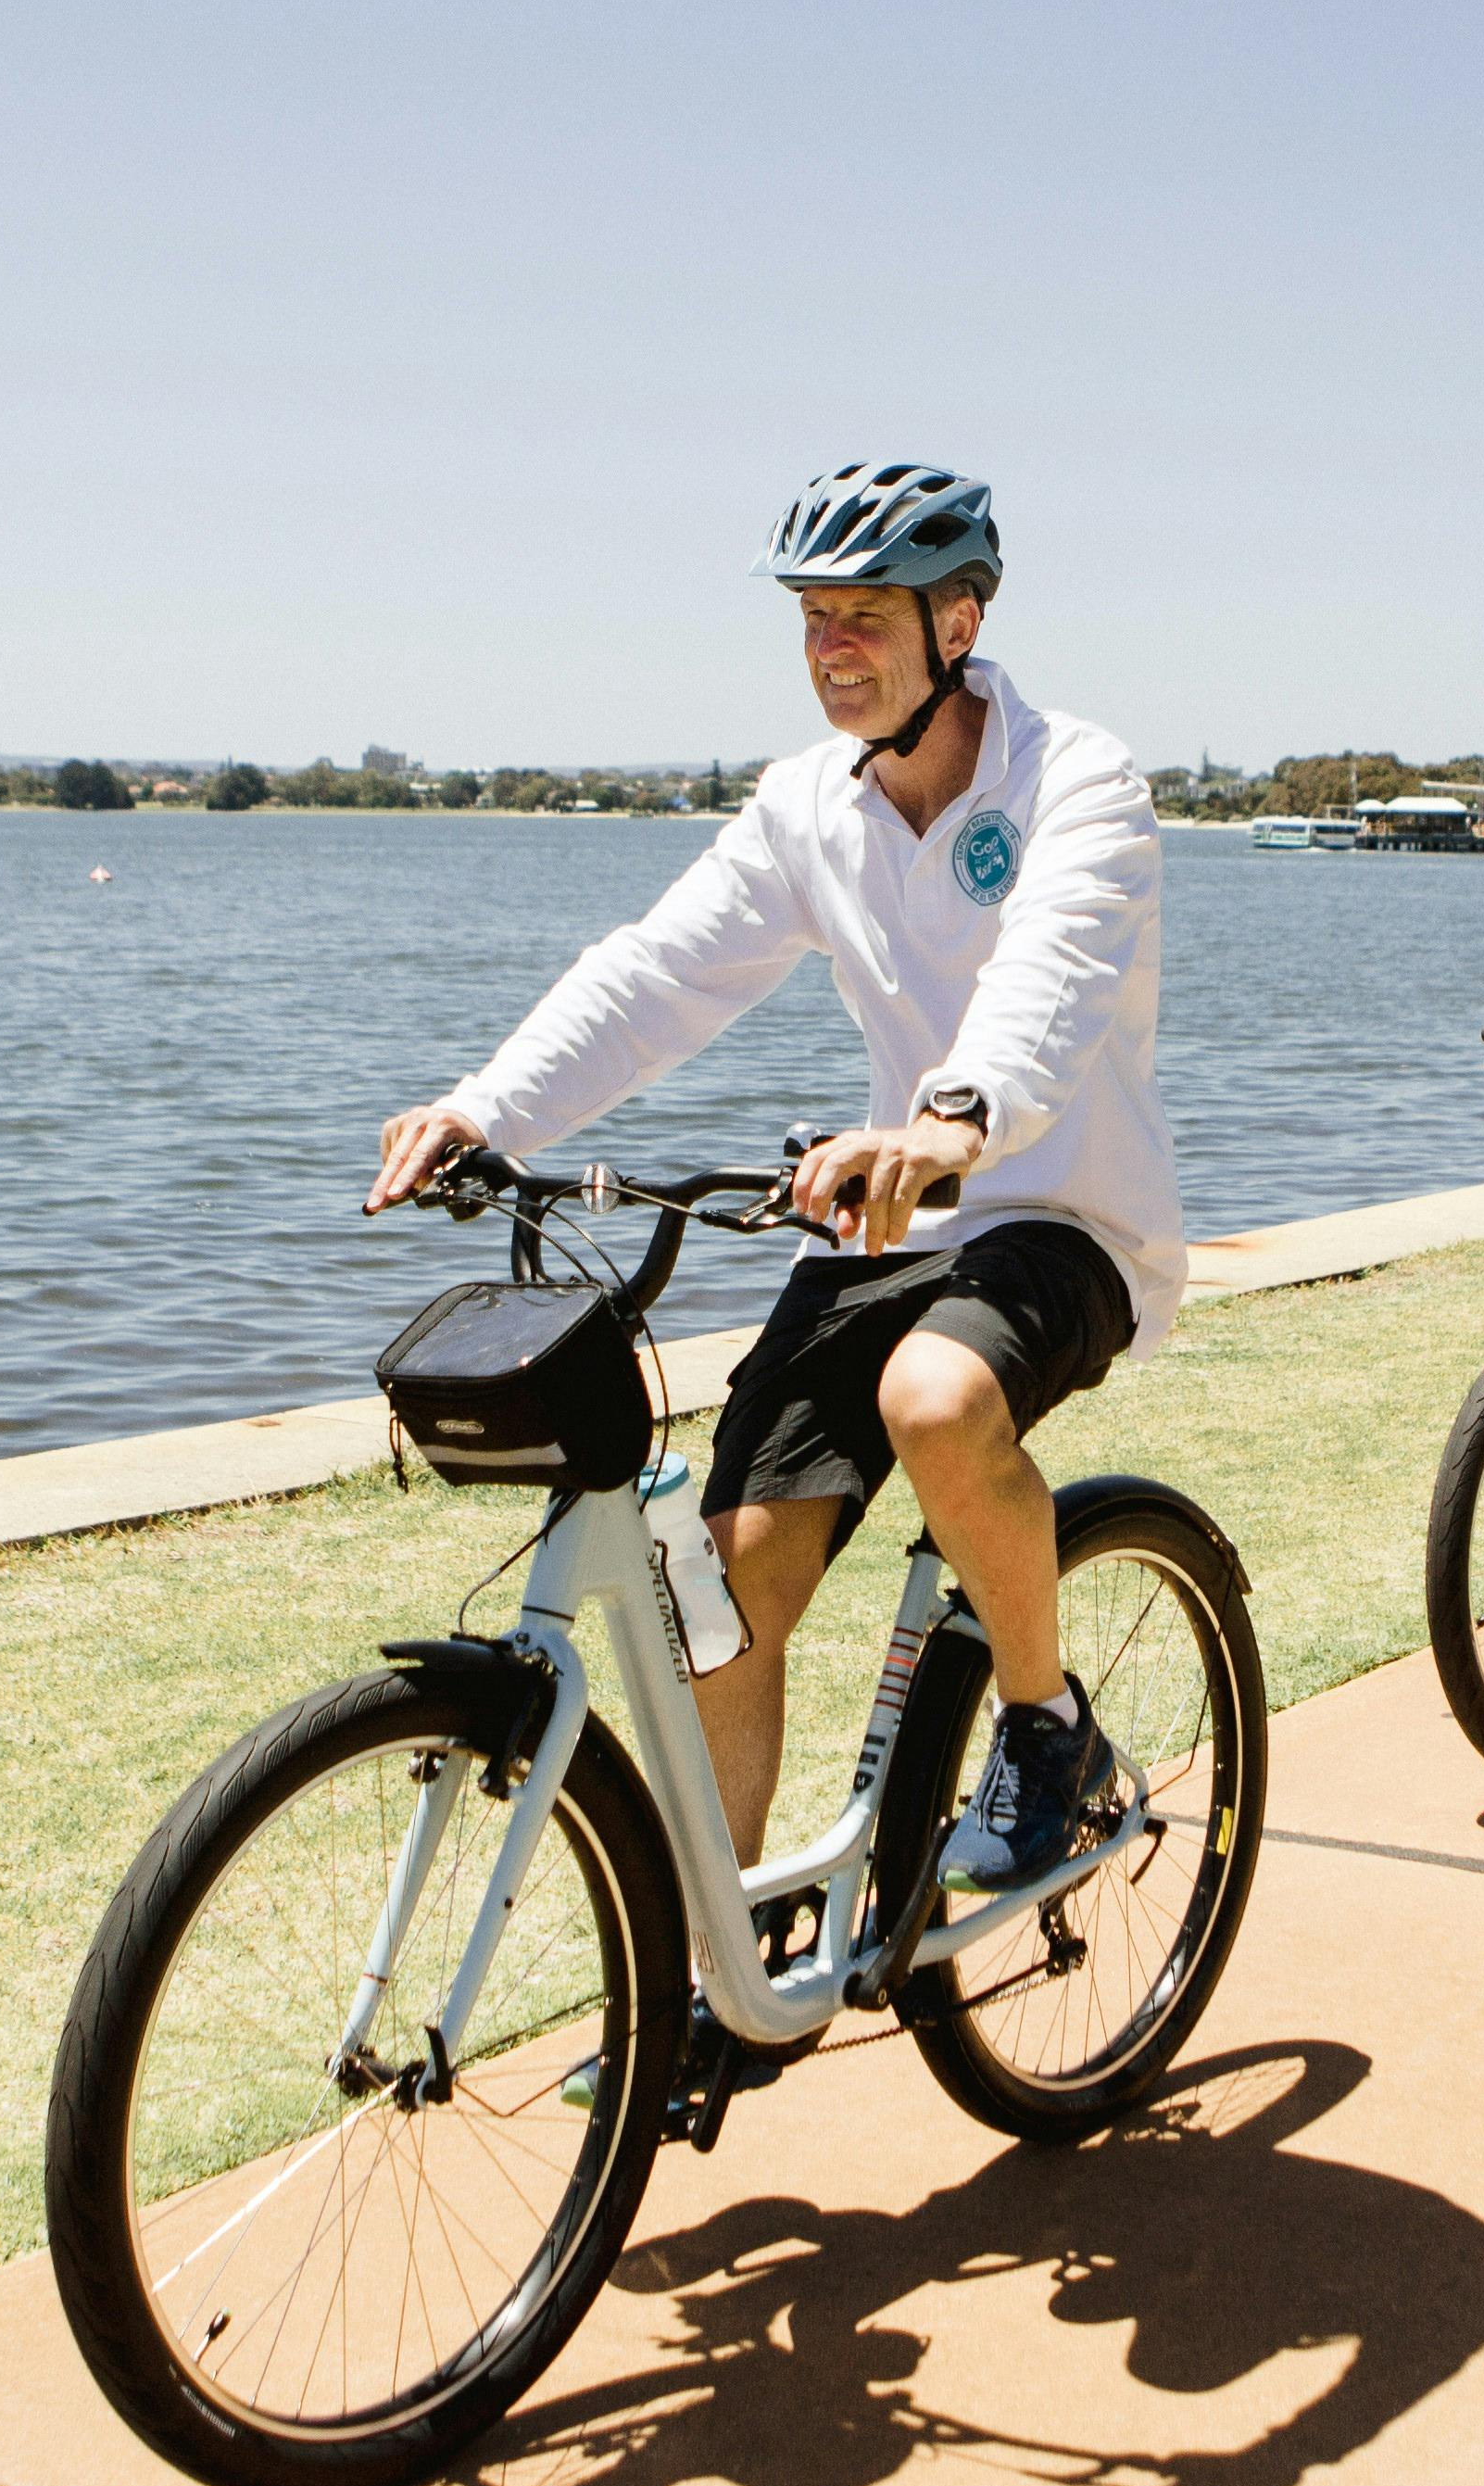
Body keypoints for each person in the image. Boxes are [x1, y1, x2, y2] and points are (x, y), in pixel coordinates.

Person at [369, 463, 1173, 1895]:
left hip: (1058, 1211)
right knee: (717, 1599)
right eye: (812, 618)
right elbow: (660, 975)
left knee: (937, 1398)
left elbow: (1050, 974)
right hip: (879, 1231)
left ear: (960, 621)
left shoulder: (1080, 779)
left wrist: (946, 1127)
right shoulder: (808, 806)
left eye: (865, 615)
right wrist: (487, 1110)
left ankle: (1047, 1728)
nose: (830, 648)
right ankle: (715, 1974)